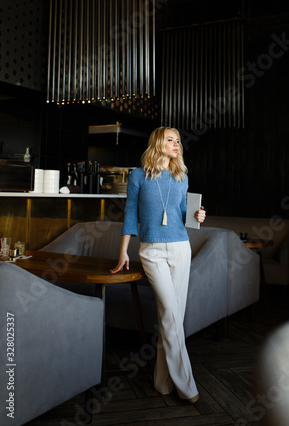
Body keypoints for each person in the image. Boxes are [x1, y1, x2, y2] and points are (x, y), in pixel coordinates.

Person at [110, 126, 206, 403]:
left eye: (178, 140)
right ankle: (187, 385)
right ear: (157, 143)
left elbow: (183, 216)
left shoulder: (181, 176)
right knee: (171, 315)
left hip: (180, 248)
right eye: (170, 139)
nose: (177, 144)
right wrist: (124, 252)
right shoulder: (138, 176)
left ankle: (162, 382)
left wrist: (198, 216)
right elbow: (130, 213)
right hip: (151, 252)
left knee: (171, 316)